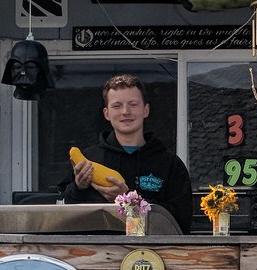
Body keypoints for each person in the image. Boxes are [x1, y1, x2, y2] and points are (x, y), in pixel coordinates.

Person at [58, 73, 193, 231]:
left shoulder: (169, 164)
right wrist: (78, 188)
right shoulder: (87, 160)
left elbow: (181, 221)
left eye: (133, 104)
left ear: (146, 110)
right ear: (106, 113)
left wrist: (129, 198)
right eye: (117, 106)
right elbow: (60, 214)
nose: (125, 111)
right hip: (95, 247)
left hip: (152, 247)